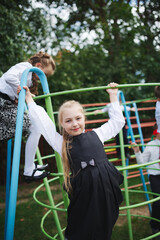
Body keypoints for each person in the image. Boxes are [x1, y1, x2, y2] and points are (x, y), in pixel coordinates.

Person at [22, 82, 125, 240]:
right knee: (81, 224)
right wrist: (29, 100)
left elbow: (117, 122)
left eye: (78, 118)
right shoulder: (61, 143)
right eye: (68, 121)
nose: (75, 124)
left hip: (106, 188)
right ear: (62, 124)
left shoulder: (98, 134)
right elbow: (45, 125)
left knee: (106, 221)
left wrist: (113, 96)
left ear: (84, 118)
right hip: (84, 192)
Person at [0, 52, 56, 182]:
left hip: (6, 103)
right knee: (33, 125)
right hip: (1, 102)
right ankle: (29, 170)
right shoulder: (25, 67)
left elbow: (13, 91)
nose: (43, 78)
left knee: (35, 127)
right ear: (38, 66)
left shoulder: (29, 78)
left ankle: (29, 168)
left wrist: (17, 96)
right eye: (44, 74)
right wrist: (21, 89)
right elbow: (8, 77)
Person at [131, 126, 160, 238]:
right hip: (155, 176)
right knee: (158, 201)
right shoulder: (151, 145)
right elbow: (142, 163)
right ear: (156, 132)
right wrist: (137, 151)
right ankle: (155, 226)